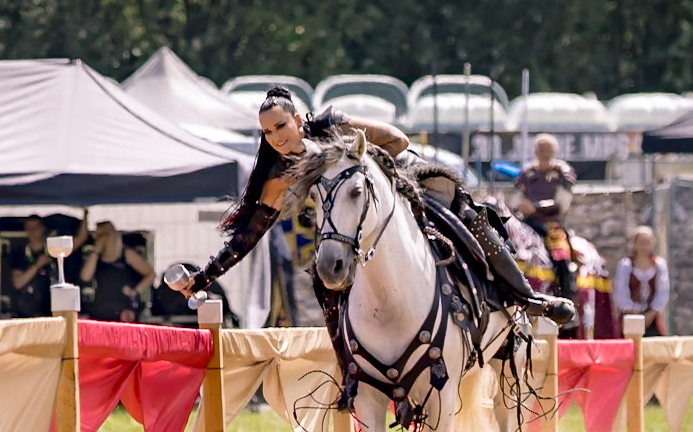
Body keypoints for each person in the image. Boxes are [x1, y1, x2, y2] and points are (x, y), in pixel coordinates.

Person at [174, 88, 574, 345]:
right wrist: (203, 278)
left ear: (298, 119)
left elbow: (398, 141)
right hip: (348, 224)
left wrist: (348, 153)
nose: (276, 137)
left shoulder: (329, 123)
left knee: (469, 216)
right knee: (324, 272)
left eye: (281, 125)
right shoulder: (279, 173)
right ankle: (349, 361)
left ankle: (527, 297)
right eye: (267, 132)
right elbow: (248, 236)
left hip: (399, 178)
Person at [512, 133, 577, 301]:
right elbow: (516, 199)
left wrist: (534, 207)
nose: (544, 152)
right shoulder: (527, 173)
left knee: (560, 255)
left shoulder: (562, 172)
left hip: (551, 225)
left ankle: (566, 294)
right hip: (526, 224)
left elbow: (562, 203)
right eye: (541, 148)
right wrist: (521, 206)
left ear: (554, 151)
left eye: (547, 148)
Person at [11, 213, 89, 317]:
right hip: (30, 312)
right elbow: (18, 283)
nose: (32, 231)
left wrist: (85, 212)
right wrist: (37, 266)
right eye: (29, 228)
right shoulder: (21, 254)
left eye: (36, 227)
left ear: (43, 228)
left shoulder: (54, 249)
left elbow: (81, 238)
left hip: (54, 309)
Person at [80, 221, 156, 322]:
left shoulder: (126, 254)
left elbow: (150, 274)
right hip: (101, 308)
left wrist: (136, 290)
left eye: (106, 235)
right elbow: (85, 277)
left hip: (123, 307)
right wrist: (96, 251)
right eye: (99, 236)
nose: (103, 239)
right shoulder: (96, 258)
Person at [613, 226, 669, 336]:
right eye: (641, 242)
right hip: (629, 317)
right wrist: (634, 313)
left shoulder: (659, 265)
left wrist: (651, 314)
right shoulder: (626, 265)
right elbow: (621, 291)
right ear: (635, 244)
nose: (645, 246)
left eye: (648, 242)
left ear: (653, 242)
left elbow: (663, 292)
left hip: (652, 319)